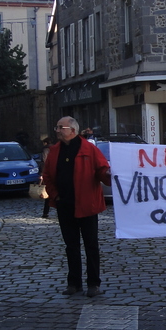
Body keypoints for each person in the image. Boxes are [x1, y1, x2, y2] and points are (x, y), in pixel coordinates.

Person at [42, 116, 111, 297]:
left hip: (88, 205)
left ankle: (93, 283)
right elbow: (47, 176)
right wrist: (55, 196)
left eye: (59, 127)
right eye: (57, 127)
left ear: (71, 130)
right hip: (65, 205)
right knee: (71, 246)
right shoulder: (55, 151)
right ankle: (74, 283)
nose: (56, 130)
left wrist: (109, 174)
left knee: (91, 246)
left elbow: (102, 171)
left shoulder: (89, 149)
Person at [40, 136, 55, 218]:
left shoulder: (45, 149)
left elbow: (44, 161)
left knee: (47, 193)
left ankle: (45, 212)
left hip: (49, 173)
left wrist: (42, 174)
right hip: (56, 172)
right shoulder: (56, 148)